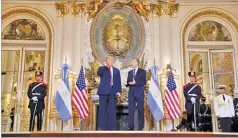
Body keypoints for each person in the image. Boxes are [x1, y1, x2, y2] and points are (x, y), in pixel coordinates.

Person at [97, 56, 122, 130]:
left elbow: (118, 81)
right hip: (103, 92)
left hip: (113, 93)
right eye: (109, 59)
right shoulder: (102, 69)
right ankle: (103, 128)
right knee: (102, 110)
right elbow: (98, 73)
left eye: (112, 59)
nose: (110, 61)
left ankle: (112, 128)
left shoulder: (116, 70)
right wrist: (105, 66)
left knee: (112, 111)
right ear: (106, 61)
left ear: (113, 61)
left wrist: (119, 91)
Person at [125, 58, 146, 130]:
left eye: (132, 61)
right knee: (131, 109)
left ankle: (141, 126)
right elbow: (128, 82)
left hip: (139, 92)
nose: (131, 62)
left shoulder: (143, 71)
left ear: (137, 62)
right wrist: (126, 83)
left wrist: (135, 83)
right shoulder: (129, 72)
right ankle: (131, 126)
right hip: (131, 92)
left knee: (140, 109)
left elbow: (143, 82)